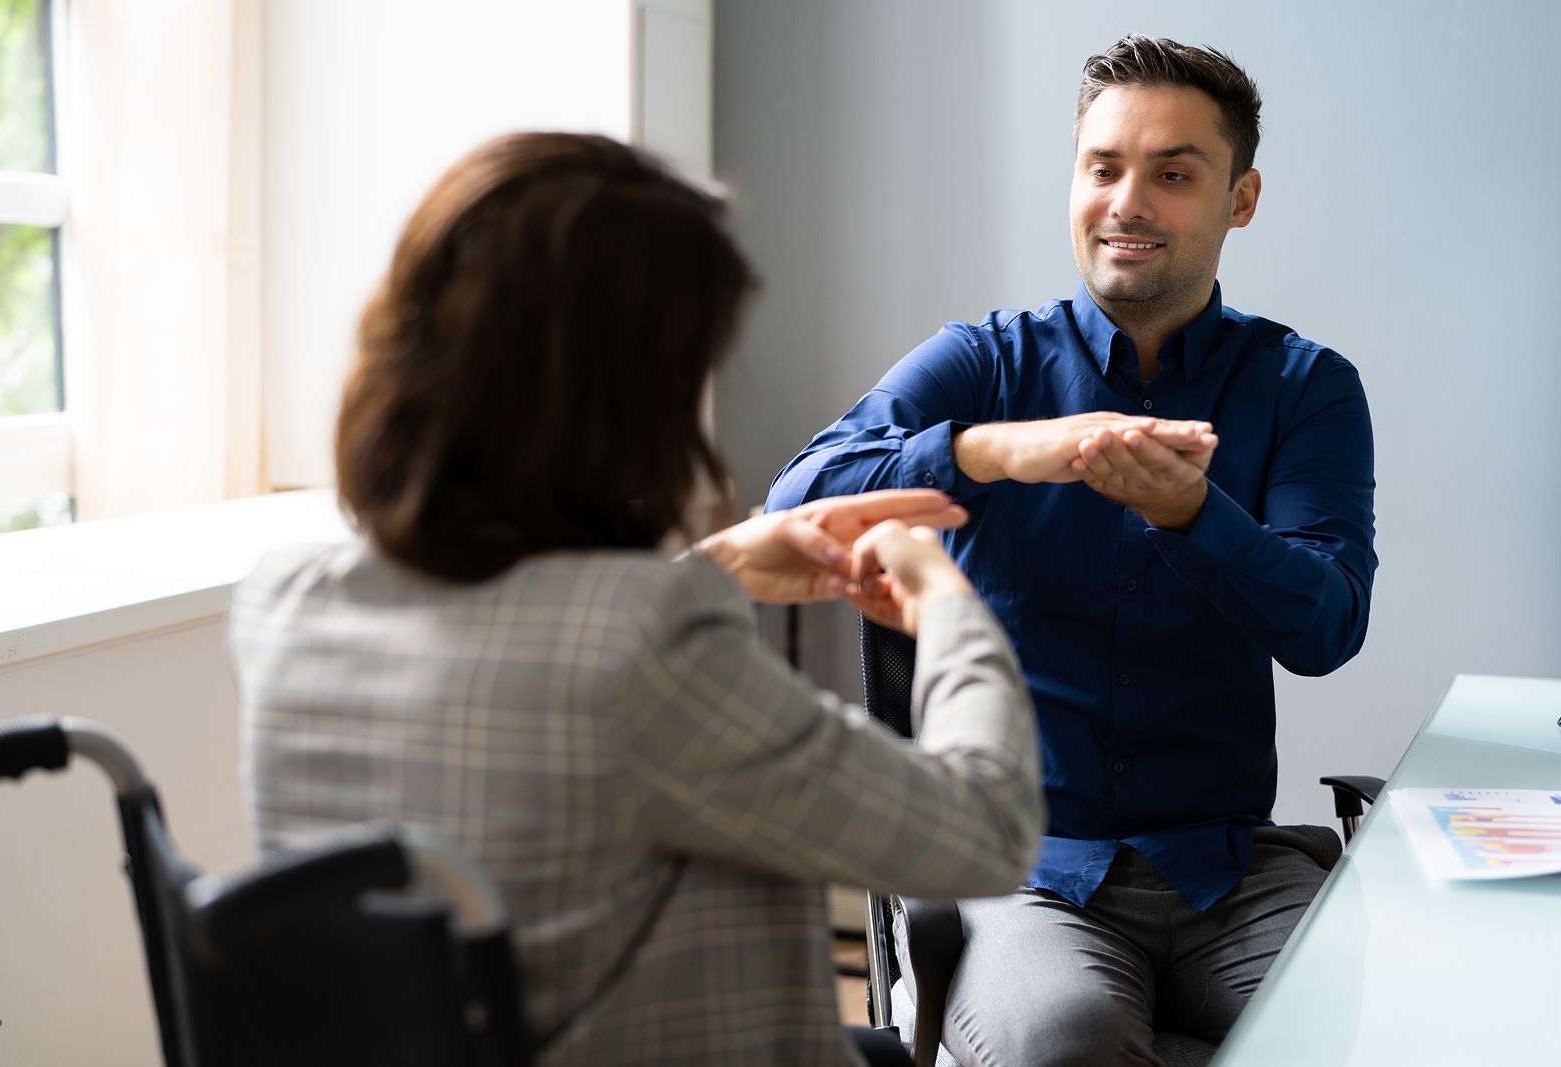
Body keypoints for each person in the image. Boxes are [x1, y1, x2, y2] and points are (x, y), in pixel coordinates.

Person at [229, 131, 1047, 1067]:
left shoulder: (280, 605)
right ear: (623, 403)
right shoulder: (645, 649)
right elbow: (985, 832)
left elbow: (530, 660)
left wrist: (718, 561)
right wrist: (951, 602)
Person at [766, 34, 1378, 1066]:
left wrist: (1197, 516)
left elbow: (1324, 626)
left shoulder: (1304, 386)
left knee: (1385, 1027)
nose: (1126, 202)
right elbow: (800, 496)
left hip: (1224, 866)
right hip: (1023, 867)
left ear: (1241, 197)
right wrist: (993, 448)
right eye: (1103, 167)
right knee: (1064, 1045)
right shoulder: (981, 362)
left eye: (1172, 172)